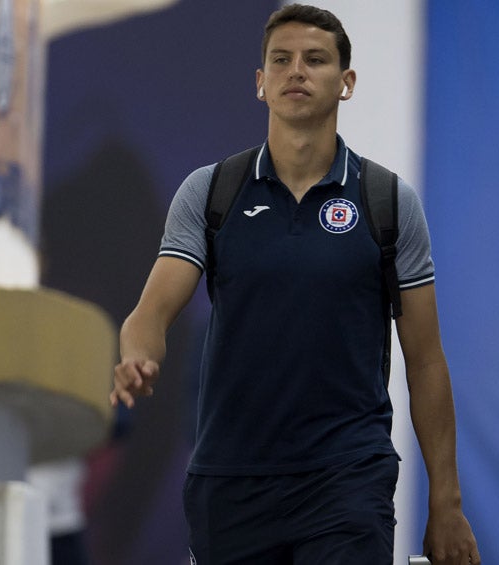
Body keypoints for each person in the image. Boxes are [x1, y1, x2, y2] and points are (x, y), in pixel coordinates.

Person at [111, 4, 480, 564]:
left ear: (346, 83)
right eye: (280, 60)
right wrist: (139, 356)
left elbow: (426, 361)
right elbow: (152, 313)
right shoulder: (210, 193)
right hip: (230, 484)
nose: (296, 72)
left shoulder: (387, 203)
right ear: (260, 83)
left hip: (347, 479)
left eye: (315, 59)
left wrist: (447, 504)